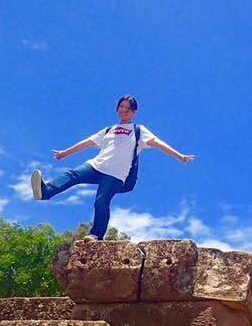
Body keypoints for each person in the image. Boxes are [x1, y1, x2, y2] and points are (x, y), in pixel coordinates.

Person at [30, 95, 195, 239]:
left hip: (116, 174)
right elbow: (87, 142)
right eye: (121, 106)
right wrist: (64, 153)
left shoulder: (138, 130)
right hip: (96, 165)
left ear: (134, 112)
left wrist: (179, 156)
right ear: (117, 108)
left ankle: (95, 235)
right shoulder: (109, 129)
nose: (124, 110)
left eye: (128, 108)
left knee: (101, 202)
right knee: (73, 175)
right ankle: (45, 192)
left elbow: (158, 143)